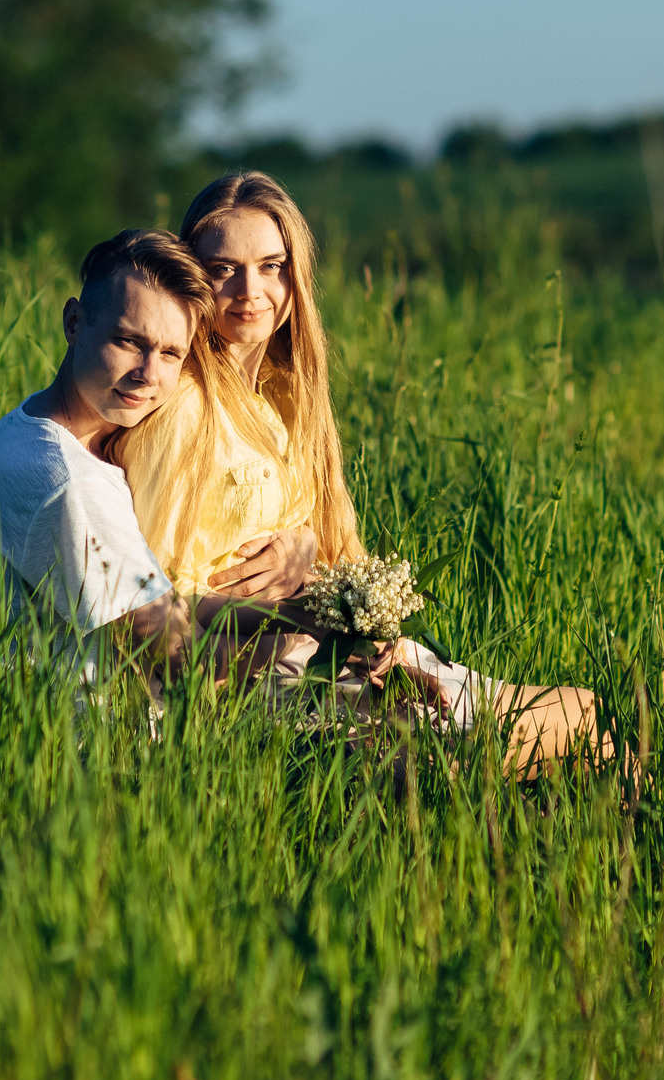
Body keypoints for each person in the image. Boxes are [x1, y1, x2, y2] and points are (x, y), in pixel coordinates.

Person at [116, 171, 614, 776]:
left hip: (326, 652)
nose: (252, 290)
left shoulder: (284, 395)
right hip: (253, 676)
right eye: (224, 270)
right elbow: (149, 599)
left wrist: (374, 631)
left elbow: (328, 552)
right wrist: (295, 623)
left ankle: (616, 857)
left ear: (296, 275)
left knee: (587, 718)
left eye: (272, 266)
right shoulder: (184, 406)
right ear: (193, 280)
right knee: (544, 733)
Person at [0, 228, 303, 681]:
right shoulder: (72, 485)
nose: (148, 374)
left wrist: (299, 605)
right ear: (74, 323)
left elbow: (169, 606)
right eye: (129, 342)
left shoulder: (30, 426)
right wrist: (302, 635)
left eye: (172, 353)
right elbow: (183, 659)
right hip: (84, 737)